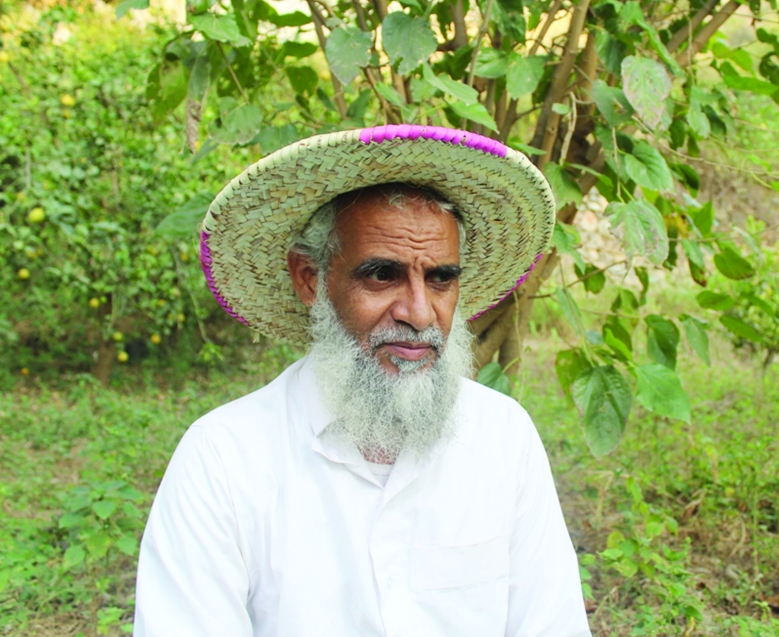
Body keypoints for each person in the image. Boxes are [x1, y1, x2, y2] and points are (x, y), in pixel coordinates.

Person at [133, 125, 592, 636]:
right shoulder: (223, 461)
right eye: (382, 275)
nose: (420, 312)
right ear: (311, 279)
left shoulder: (503, 437)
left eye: (440, 278)